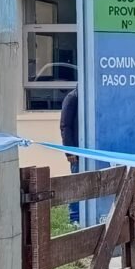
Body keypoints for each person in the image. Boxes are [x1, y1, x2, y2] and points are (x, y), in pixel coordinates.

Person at [60, 86, 80, 223]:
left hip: (86, 151)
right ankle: (74, 219)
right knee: (76, 184)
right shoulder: (72, 98)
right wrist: (70, 151)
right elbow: (65, 126)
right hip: (77, 153)